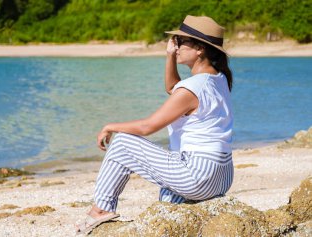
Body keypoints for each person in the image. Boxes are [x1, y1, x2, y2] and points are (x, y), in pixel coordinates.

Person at [75, 15, 234, 235]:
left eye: (179, 41)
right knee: (168, 196)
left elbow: (148, 127)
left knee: (122, 142)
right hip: (222, 177)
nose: (175, 46)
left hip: (198, 174)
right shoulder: (219, 79)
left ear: (199, 49)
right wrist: (170, 55)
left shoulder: (192, 88)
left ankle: (100, 210)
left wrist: (110, 126)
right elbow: (173, 89)